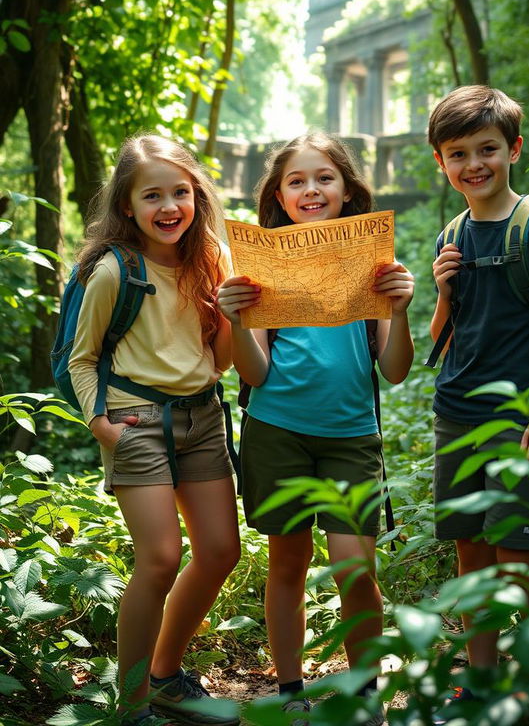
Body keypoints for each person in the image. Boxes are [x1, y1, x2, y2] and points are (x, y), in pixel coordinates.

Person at [217, 132, 415, 726]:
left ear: (348, 190)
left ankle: (363, 691)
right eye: (297, 181)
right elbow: (254, 371)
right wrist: (237, 321)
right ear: (278, 195)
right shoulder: (260, 264)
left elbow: (396, 370)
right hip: (276, 430)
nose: (311, 189)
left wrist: (399, 310)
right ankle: (289, 687)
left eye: (324, 178)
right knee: (288, 562)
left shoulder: (371, 264)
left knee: (356, 566)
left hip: (353, 436)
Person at [68, 134, 241, 726]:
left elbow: (219, 361)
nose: (169, 207)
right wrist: (100, 424)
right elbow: (81, 357)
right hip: (135, 420)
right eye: (153, 196)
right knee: (161, 558)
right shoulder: (116, 270)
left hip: (204, 417)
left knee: (220, 550)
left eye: (180, 193)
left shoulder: (212, 259)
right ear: (127, 206)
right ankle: (133, 700)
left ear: (197, 195)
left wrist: (233, 314)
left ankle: (166, 677)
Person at [427, 86, 529, 716]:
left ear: (513, 148)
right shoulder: (453, 230)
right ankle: (481, 679)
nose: (474, 164)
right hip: (454, 409)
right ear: (442, 162)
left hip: (518, 414)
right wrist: (440, 289)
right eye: (458, 153)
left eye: (487, 149)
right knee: (472, 549)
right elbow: (443, 336)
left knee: (519, 553)